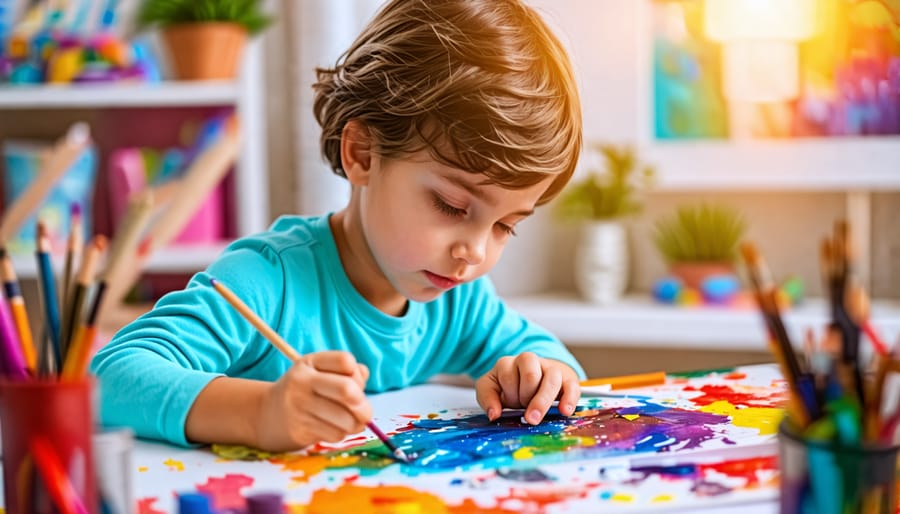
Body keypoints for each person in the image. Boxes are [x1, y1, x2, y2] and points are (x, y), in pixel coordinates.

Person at [91, 0, 584, 452]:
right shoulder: (269, 279)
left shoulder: (458, 300)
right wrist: (259, 413)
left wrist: (537, 376)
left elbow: (545, 357)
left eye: (505, 226)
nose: (475, 252)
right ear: (363, 154)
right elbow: (110, 377)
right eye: (452, 206)